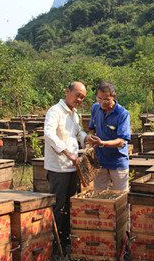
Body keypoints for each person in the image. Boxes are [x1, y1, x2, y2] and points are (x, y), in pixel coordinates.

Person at [43, 81, 89, 254]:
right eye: (77, 95)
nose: (79, 100)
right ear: (67, 91)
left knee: (71, 206)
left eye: (82, 98)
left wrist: (87, 139)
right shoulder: (54, 111)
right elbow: (48, 134)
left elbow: (78, 132)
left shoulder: (74, 114)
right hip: (58, 168)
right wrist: (67, 153)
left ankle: (67, 241)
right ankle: (56, 247)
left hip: (73, 167)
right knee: (59, 206)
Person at [89, 82, 131, 191]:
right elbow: (92, 128)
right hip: (100, 161)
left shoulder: (123, 114)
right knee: (99, 196)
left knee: (121, 198)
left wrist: (102, 143)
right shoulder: (95, 108)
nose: (102, 102)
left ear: (113, 96)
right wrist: (91, 140)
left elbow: (121, 141)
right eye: (99, 98)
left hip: (118, 161)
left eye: (106, 99)